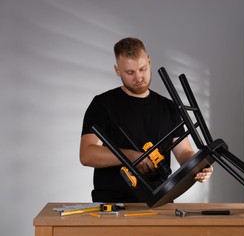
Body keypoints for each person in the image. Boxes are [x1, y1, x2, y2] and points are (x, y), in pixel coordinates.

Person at [80, 37, 213, 203]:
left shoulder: (168, 107)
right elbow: (87, 154)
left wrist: (199, 166)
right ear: (117, 70)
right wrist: (131, 156)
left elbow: (184, 152)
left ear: (149, 61)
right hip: (112, 207)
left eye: (142, 69)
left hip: (159, 204)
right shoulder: (102, 104)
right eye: (130, 72)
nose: (138, 77)